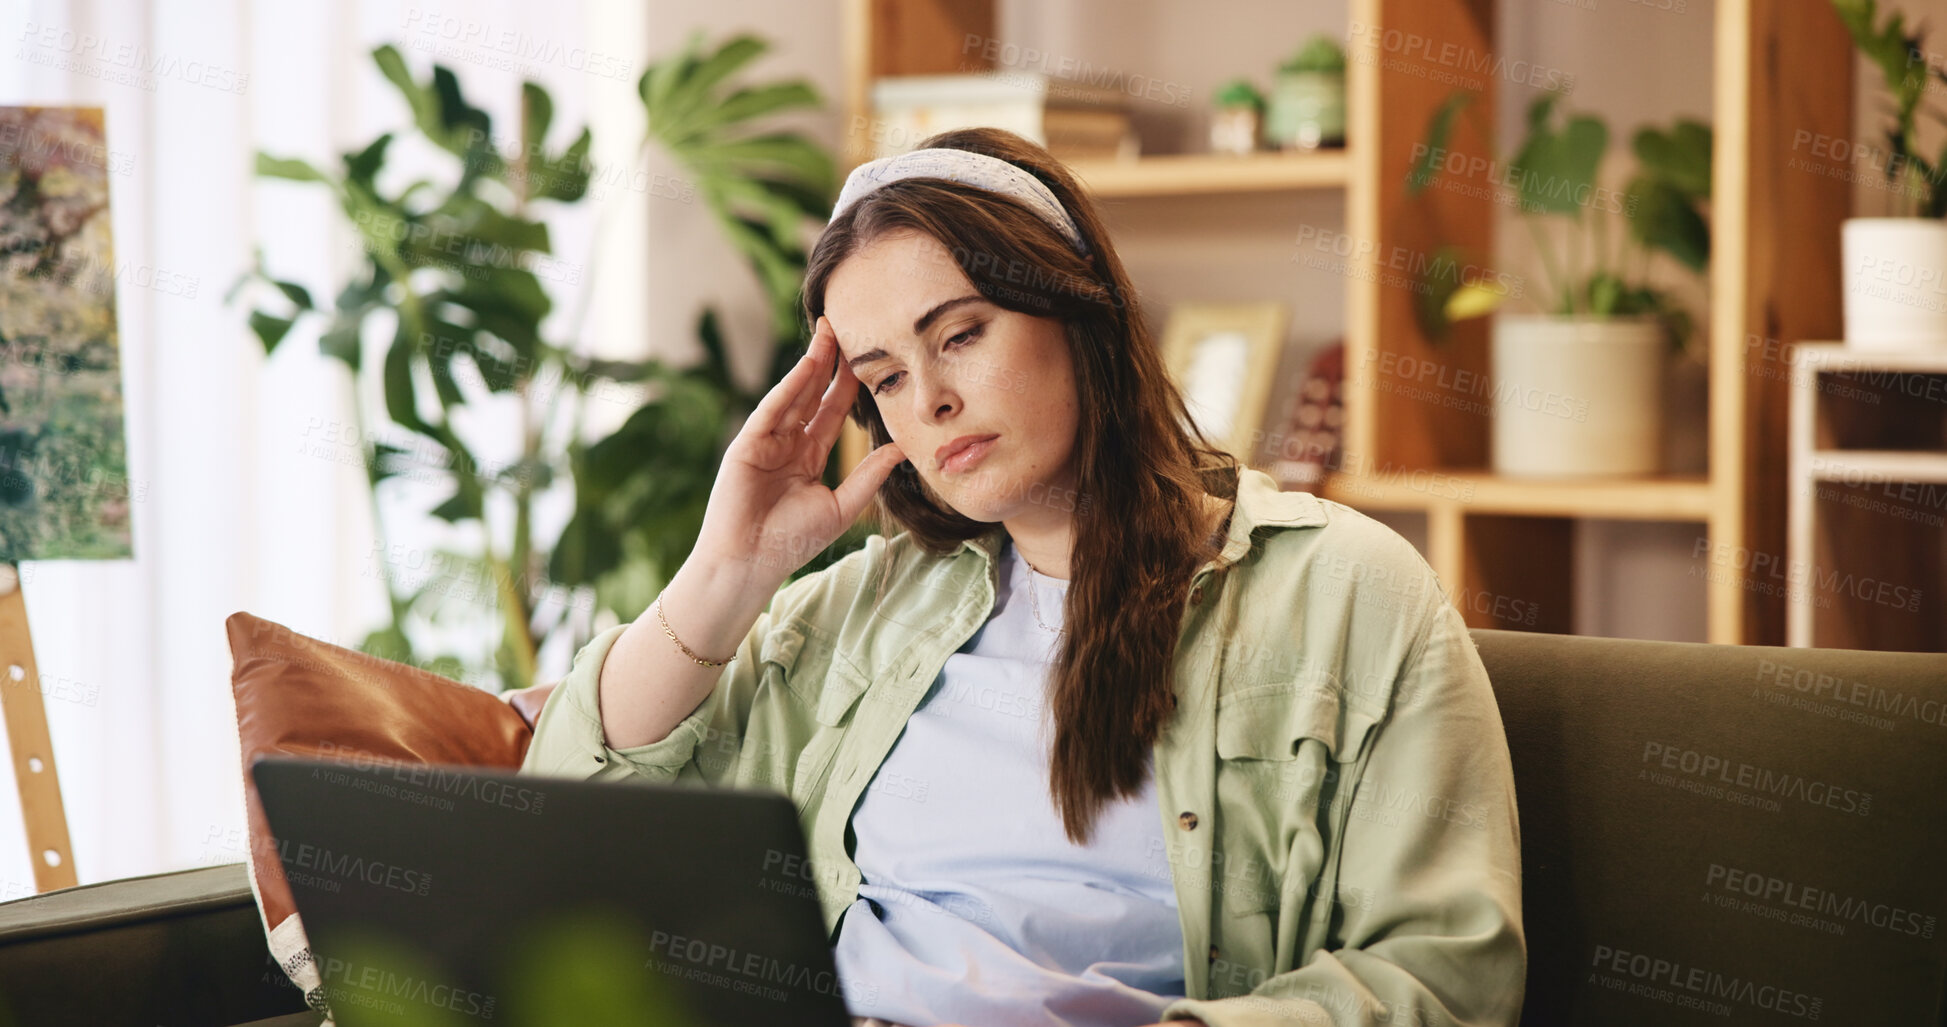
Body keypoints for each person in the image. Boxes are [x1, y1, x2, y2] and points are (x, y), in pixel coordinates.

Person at [521, 126, 1526, 1027]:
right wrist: (726, 571)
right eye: (885, 379)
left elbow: (1447, 977)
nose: (932, 400)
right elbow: (567, 814)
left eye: (960, 334)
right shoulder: (866, 610)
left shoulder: (1349, 593)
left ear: (1076, 310)